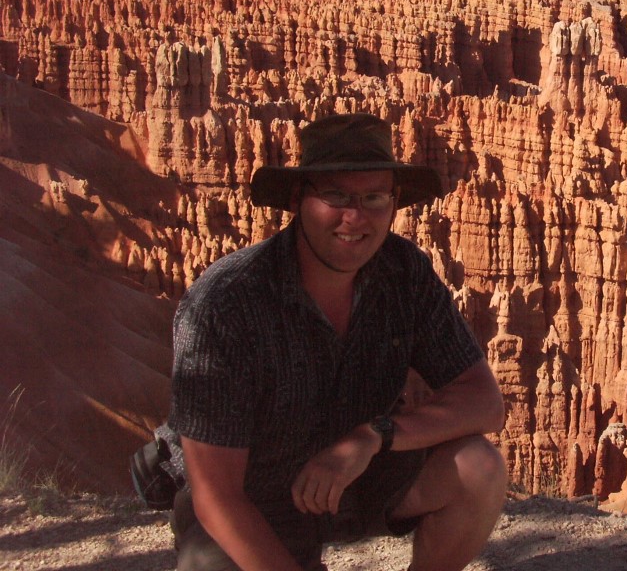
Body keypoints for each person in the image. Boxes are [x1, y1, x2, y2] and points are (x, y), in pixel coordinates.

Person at [155, 112, 508, 571]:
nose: (355, 216)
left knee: (479, 468)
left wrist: (372, 437)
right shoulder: (227, 304)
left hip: (359, 479)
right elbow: (216, 494)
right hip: (254, 499)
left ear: (395, 201)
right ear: (300, 198)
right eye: (336, 195)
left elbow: (485, 403)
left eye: (375, 197)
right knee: (208, 565)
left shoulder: (405, 274)